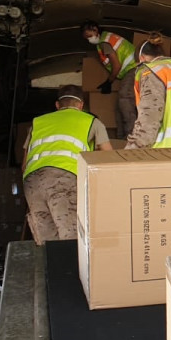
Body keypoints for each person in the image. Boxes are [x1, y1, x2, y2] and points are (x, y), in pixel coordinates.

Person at [23, 86, 114, 243]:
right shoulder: (91, 121)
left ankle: (51, 267)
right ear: (81, 105)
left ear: (57, 105)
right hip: (63, 179)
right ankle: (70, 268)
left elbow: (24, 164)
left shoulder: (37, 123)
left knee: (46, 242)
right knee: (70, 237)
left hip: (32, 182)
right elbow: (109, 158)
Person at [81, 22, 137, 137]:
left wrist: (108, 82)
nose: (88, 40)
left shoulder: (105, 43)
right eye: (86, 38)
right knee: (119, 106)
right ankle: (121, 137)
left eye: (89, 36)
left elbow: (116, 65)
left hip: (134, 68)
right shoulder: (106, 38)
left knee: (125, 98)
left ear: (95, 29)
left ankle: (132, 135)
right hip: (131, 70)